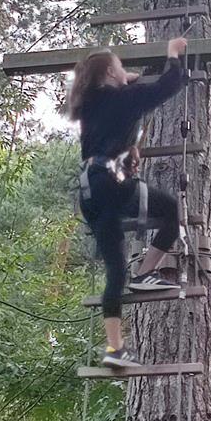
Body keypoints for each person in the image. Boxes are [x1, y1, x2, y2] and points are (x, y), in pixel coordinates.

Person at [69, 37, 188, 368]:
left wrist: (128, 78)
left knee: (114, 270)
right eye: (121, 67)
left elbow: (125, 97)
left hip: (90, 191)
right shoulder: (123, 101)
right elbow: (167, 86)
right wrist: (173, 55)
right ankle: (146, 272)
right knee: (171, 211)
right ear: (109, 71)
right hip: (110, 184)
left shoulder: (89, 102)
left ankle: (114, 349)